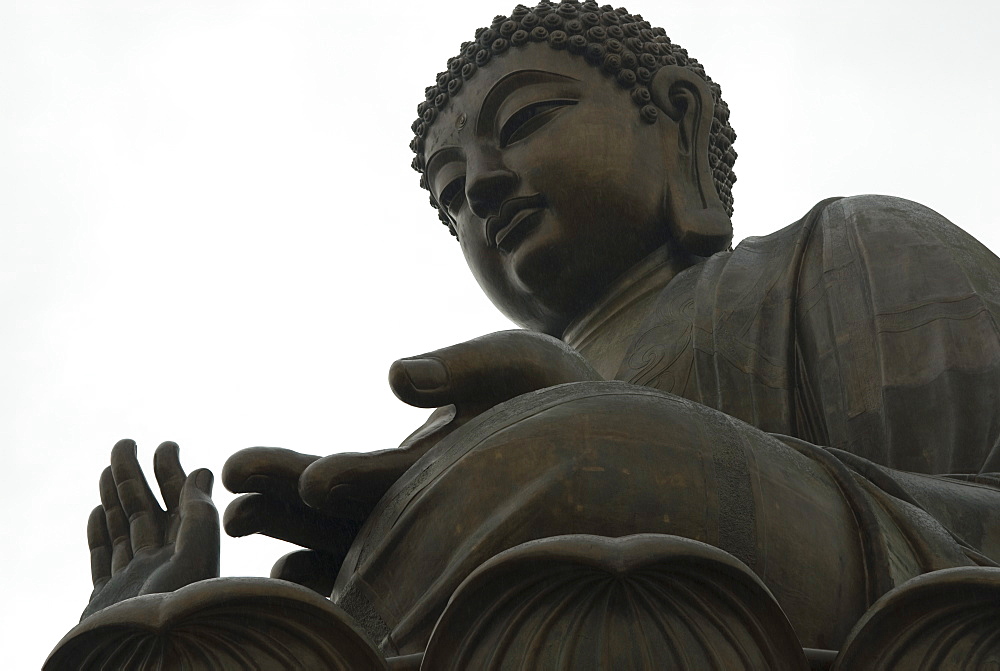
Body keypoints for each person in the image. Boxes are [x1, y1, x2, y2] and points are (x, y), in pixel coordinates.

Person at [52, 1, 1000, 666]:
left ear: (677, 119)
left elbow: (977, 542)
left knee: (577, 449)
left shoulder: (850, 251)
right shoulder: (451, 432)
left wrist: (596, 440)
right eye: (452, 192)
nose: (485, 190)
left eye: (528, 120)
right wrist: (159, 623)